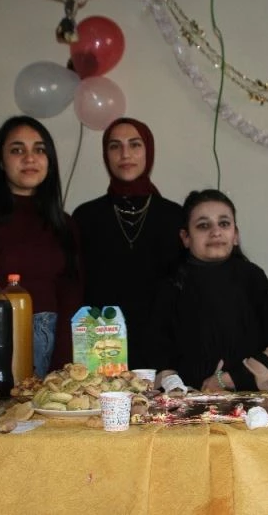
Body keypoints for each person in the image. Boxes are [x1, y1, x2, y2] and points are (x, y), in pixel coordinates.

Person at [0, 116, 82, 375]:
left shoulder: (66, 225)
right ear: (1, 161)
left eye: (39, 150)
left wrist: (60, 367)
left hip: (58, 360)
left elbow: (72, 298)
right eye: (17, 150)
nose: (30, 158)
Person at [148, 189, 268, 391]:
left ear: (235, 235)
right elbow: (157, 356)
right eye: (203, 225)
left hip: (251, 402)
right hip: (185, 404)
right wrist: (179, 390)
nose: (216, 232)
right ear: (185, 237)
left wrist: (228, 380)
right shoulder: (170, 285)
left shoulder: (252, 278)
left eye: (224, 224)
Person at [73, 117, 183, 369]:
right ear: (106, 155)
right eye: (115, 146)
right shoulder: (85, 217)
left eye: (135, 144)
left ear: (149, 151)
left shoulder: (174, 216)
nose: (125, 154)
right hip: (101, 349)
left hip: (163, 347)